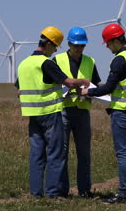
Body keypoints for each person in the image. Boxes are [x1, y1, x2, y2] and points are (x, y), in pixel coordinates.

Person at [15, 26, 90, 199]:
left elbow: (19, 91)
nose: (55, 50)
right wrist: (83, 81)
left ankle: (36, 193)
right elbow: (68, 82)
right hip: (50, 113)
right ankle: (53, 193)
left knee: (36, 155)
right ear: (48, 44)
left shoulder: (24, 64)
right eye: (55, 46)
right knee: (56, 153)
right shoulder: (46, 63)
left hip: (32, 114)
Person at [81, 23, 126, 204]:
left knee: (122, 154)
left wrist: (88, 92)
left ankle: (122, 194)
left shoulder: (119, 60)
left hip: (122, 112)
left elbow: (109, 87)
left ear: (116, 41)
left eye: (108, 43)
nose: (108, 47)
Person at [53, 27, 101, 197]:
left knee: (84, 153)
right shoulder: (57, 60)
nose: (79, 48)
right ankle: (62, 191)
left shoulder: (90, 61)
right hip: (63, 110)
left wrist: (90, 93)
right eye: (76, 45)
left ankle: (85, 190)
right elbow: (51, 83)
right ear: (69, 44)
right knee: (62, 152)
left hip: (82, 111)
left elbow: (96, 85)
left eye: (82, 45)